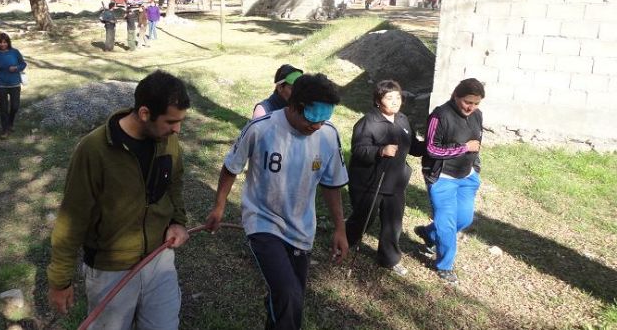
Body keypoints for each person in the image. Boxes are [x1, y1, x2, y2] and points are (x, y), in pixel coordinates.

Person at [47, 70, 191, 329]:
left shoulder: (168, 142)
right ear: (145, 113)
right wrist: (60, 281)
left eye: (180, 121)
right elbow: (72, 219)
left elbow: (174, 184)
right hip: (109, 270)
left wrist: (178, 221)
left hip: (160, 259)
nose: (177, 129)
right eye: (171, 121)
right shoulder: (93, 149)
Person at [206, 73, 349, 330]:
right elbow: (231, 168)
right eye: (312, 120)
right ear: (294, 106)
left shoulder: (328, 135)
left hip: (302, 230)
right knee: (288, 294)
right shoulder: (261, 128)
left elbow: (331, 185)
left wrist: (340, 228)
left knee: (291, 298)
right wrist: (219, 206)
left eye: (323, 120)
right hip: (262, 221)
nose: (316, 127)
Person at [345, 80, 425, 276]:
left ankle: (389, 258)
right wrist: (380, 150)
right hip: (371, 182)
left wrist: (431, 146)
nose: (395, 101)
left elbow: (413, 146)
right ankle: (343, 243)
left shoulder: (403, 120)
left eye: (398, 97)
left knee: (393, 222)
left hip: (396, 182)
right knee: (363, 219)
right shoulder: (368, 122)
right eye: (389, 98)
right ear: (378, 101)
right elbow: (358, 150)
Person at [415, 78, 485, 285]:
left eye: (476, 103)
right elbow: (431, 149)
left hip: (467, 177)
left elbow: (477, 143)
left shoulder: (477, 115)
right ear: (456, 95)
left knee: (464, 219)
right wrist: (463, 148)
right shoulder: (440, 116)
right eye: (467, 102)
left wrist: (475, 168)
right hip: (442, 178)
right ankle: (444, 265)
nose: (471, 107)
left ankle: (429, 233)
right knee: (447, 224)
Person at [0, 32, 26, 139]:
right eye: (0, 43)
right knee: (3, 109)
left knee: (15, 106)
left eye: (5, 42)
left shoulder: (15, 52)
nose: (3, 44)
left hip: (14, 84)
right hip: (1, 85)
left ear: (8, 42)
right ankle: (4, 130)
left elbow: (23, 64)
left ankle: (10, 122)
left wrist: (16, 68)